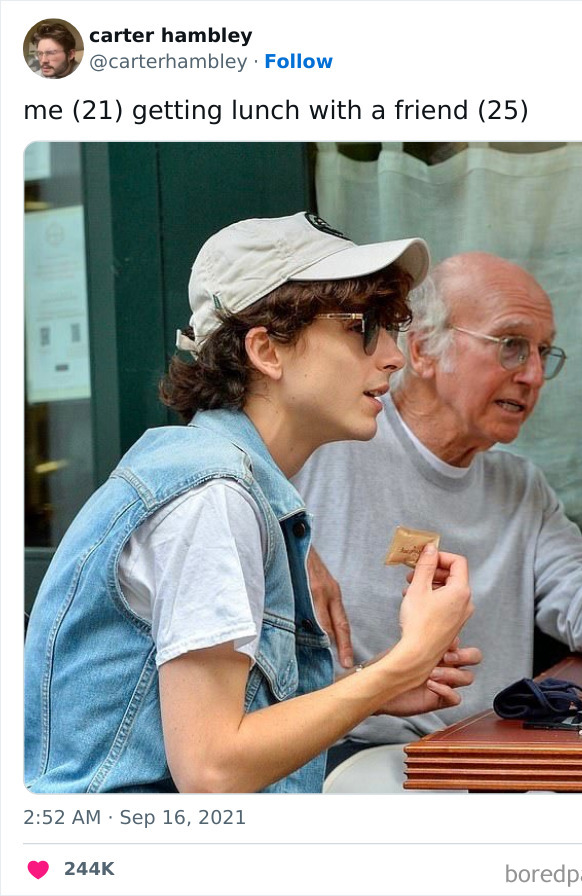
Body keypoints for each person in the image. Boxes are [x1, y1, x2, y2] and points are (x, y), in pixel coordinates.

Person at [24, 212, 479, 794]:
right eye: (364, 327)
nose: (392, 356)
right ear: (267, 350)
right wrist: (403, 663)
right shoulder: (213, 499)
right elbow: (213, 769)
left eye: (394, 327)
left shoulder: (222, 481)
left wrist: (377, 689)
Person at [294, 250, 582, 759]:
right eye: (512, 346)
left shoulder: (520, 488)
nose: (534, 375)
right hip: (343, 757)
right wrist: (283, 526)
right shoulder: (325, 439)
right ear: (424, 349)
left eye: (544, 352)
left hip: (485, 761)